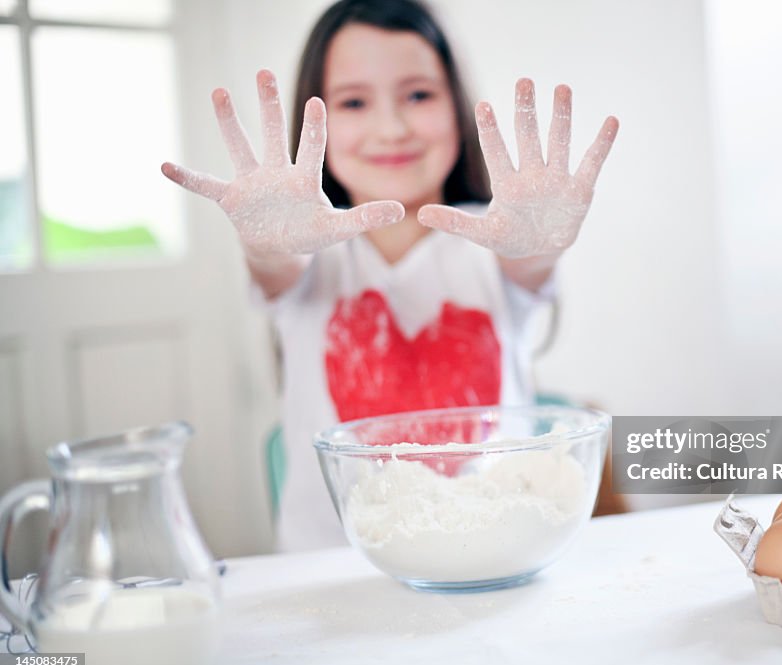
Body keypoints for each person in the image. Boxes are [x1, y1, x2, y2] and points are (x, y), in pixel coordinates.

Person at [161, 0, 619, 551]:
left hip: (493, 554)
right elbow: (275, 268)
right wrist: (264, 246)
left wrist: (541, 248)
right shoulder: (305, 256)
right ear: (318, 123)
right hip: (331, 577)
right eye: (354, 101)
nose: (392, 127)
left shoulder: (498, 240)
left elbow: (529, 264)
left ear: (457, 104)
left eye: (419, 95)